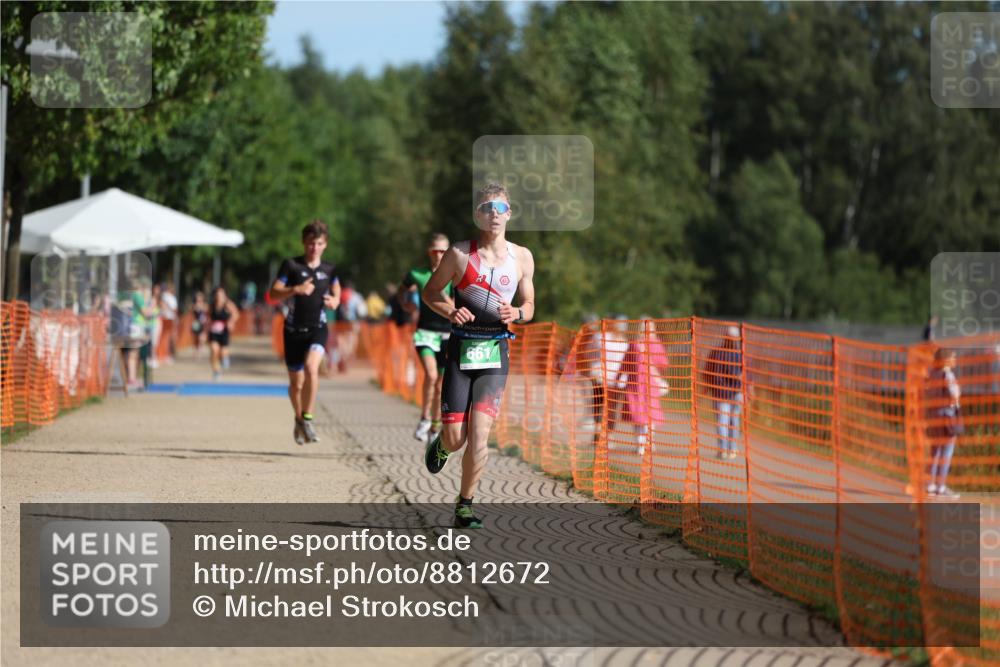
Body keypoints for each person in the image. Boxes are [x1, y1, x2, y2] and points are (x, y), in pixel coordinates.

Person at [421, 183, 536, 529]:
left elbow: (530, 305)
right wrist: (449, 312)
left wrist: (518, 313)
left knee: (480, 433)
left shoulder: (523, 257)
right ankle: (442, 443)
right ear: (477, 215)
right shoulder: (458, 254)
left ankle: (465, 505)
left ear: (510, 213)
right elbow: (431, 292)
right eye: (488, 207)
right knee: (457, 438)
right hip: (460, 351)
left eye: (501, 208)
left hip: (495, 352)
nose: (495, 214)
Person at [268, 220, 341, 445]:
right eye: (311, 243)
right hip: (292, 331)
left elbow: (337, 291)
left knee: (312, 367)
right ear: (304, 243)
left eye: (319, 243)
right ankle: (298, 417)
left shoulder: (329, 269)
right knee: (296, 384)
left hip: (317, 328)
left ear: (325, 244)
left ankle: (308, 417)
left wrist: (335, 301)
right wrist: (295, 289)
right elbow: (273, 293)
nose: (314, 248)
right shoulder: (291, 266)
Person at [398, 233, 454, 444]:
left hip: (448, 334)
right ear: (428, 252)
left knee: (441, 384)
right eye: (435, 250)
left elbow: (458, 306)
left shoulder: (454, 276)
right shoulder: (417, 274)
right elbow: (401, 291)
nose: (438, 255)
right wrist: (405, 304)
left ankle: (435, 427)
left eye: (443, 251)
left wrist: (444, 296)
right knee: (430, 375)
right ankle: (424, 418)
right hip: (425, 332)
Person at [615, 319, 670, 456]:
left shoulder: (640, 344)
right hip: (641, 386)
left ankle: (644, 444)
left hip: (643, 386)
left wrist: (618, 378)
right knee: (643, 417)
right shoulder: (644, 344)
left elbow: (625, 364)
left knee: (642, 417)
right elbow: (663, 364)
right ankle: (644, 443)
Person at [925, 347, 962, 498]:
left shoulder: (932, 373)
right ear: (946, 359)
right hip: (947, 415)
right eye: (953, 357)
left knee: (934, 452)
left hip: (934, 414)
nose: (955, 360)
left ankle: (930, 485)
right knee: (946, 453)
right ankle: (941, 487)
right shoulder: (947, 375)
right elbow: (954, 394)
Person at [705, 325, 743, 460]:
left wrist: (707, 386)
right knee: (731, 421)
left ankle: (725, 449)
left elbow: (708, 372)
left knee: (726, 421)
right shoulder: (739, 354)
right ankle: (729, 449)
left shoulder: (718, 352)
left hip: (727, 393)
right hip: (729, 393)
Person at [208, 286, 239, 380]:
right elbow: (208, 317)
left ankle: (224, 359)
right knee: (214, 350)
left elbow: (236, 314)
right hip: (213, 332)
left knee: (223, 352)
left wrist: (231, 322)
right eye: (218, 294)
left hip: (224, 331)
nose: (219, 296)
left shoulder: (228, 304)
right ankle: (216, 372)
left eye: (221, 294)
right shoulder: (212, 305)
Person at [159, 282, 178, 365]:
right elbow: (173, 308)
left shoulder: (166, 296)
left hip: (169, 318)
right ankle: (164, 355)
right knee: (166, 337)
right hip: (167, 318)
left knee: (167, 338)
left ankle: (166, 354)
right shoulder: (168, 297)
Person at [190, 291, 209, 359]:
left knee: (202, 338)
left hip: (203, 323)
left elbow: (207, 312)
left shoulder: (205, 305)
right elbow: (192, 312)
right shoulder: (194, 305)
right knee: (196, 339)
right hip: (196, 323)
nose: (199, 298)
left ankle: (199, 350)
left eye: (200, 297)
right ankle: (196, 351)